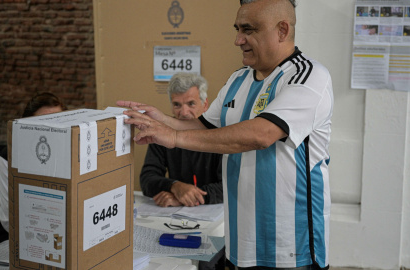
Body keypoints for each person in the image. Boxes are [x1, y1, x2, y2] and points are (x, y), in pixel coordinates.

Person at [118, 0, 333, 269]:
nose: (238, 39)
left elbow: (260, 135)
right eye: (237, 29)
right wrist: (160, 120)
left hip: (290, 250)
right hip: (239, 245)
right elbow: (204, 126)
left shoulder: (308, 77)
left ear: (281, 30)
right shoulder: (238, 79)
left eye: (248, 30)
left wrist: (173, 137)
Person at [0, 92, 67, 248]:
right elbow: (9, 220)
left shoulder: (66, 155)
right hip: (10, 239)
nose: (51, 130)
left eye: (58, 122)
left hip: (54, 235)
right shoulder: (10, 156)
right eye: (43, 123)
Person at [140, 72, 223, 207]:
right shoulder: (163, 134)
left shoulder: (220, 134)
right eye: (177, 105)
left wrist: (184, 198)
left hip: (216, 213)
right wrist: (174, 186)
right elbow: (147, 179)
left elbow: (228, 187)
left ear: (205, 104)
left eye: (191, 104)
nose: (184, 112)